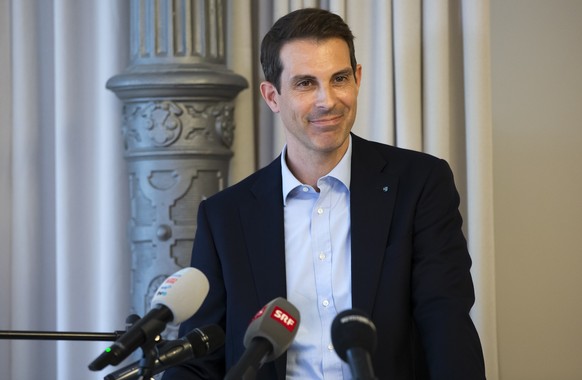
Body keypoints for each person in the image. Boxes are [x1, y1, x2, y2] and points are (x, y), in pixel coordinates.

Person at [162, 7, 485, 380]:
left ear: (358, 78)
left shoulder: (420, 184)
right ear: (272, 96)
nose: (327, 101)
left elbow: (447, 324)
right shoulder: (225, 217)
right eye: (305, 83)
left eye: (339, 79)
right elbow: (199, 357)